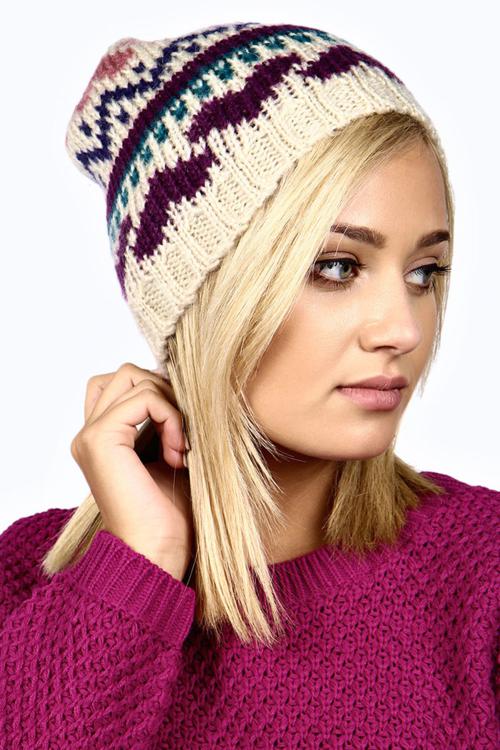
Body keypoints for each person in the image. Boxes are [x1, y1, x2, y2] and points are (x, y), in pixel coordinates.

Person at [1, 20, 498, 749]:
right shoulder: (33, 584)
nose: (403, 328)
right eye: (336, 267)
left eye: (424, 273)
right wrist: (139, 562)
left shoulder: (481, 573)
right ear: (207, 300)